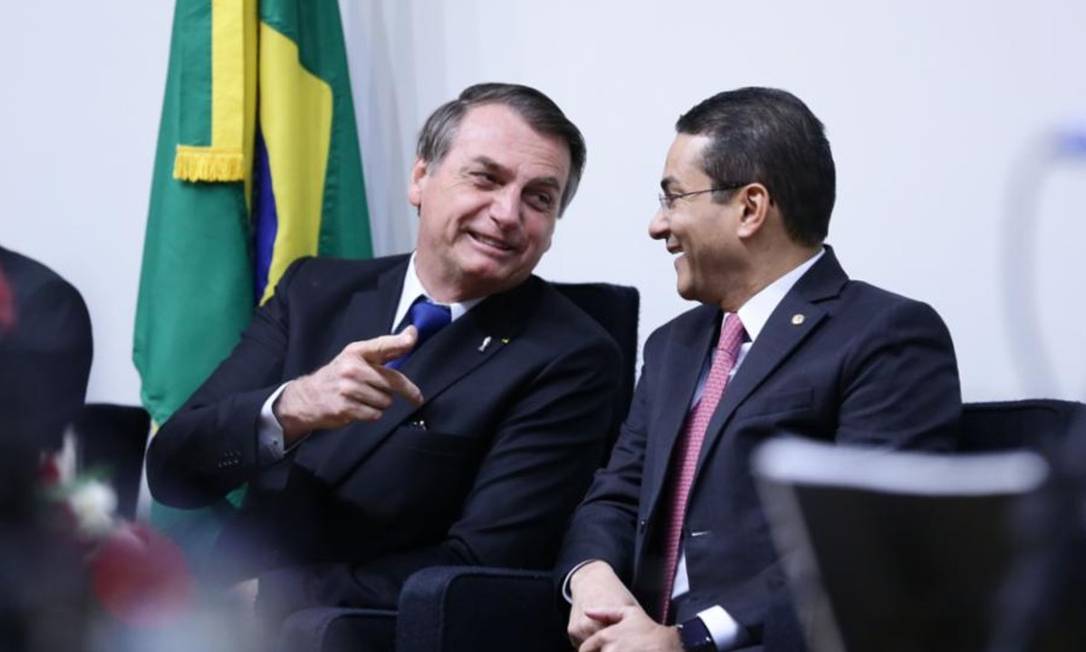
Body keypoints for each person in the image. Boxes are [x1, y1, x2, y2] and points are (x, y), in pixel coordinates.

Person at [147, 83, 621, 625]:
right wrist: (291, 408)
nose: (508, 213)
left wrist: (273, 595)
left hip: (356, 629)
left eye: (539, 197)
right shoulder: (315, 290)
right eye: (486, 179)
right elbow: (174, 472)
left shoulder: (572, 355)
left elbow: (482, 566)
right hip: (214, 619)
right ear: (421, 178)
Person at [558, 87, 961, 652]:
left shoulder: (886, 334)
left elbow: (867, 539)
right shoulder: (672, 345)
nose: (657, 225)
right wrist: (592, 576)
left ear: (750, 208)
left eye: (674, 198)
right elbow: (617, 493)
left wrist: (689, 639)